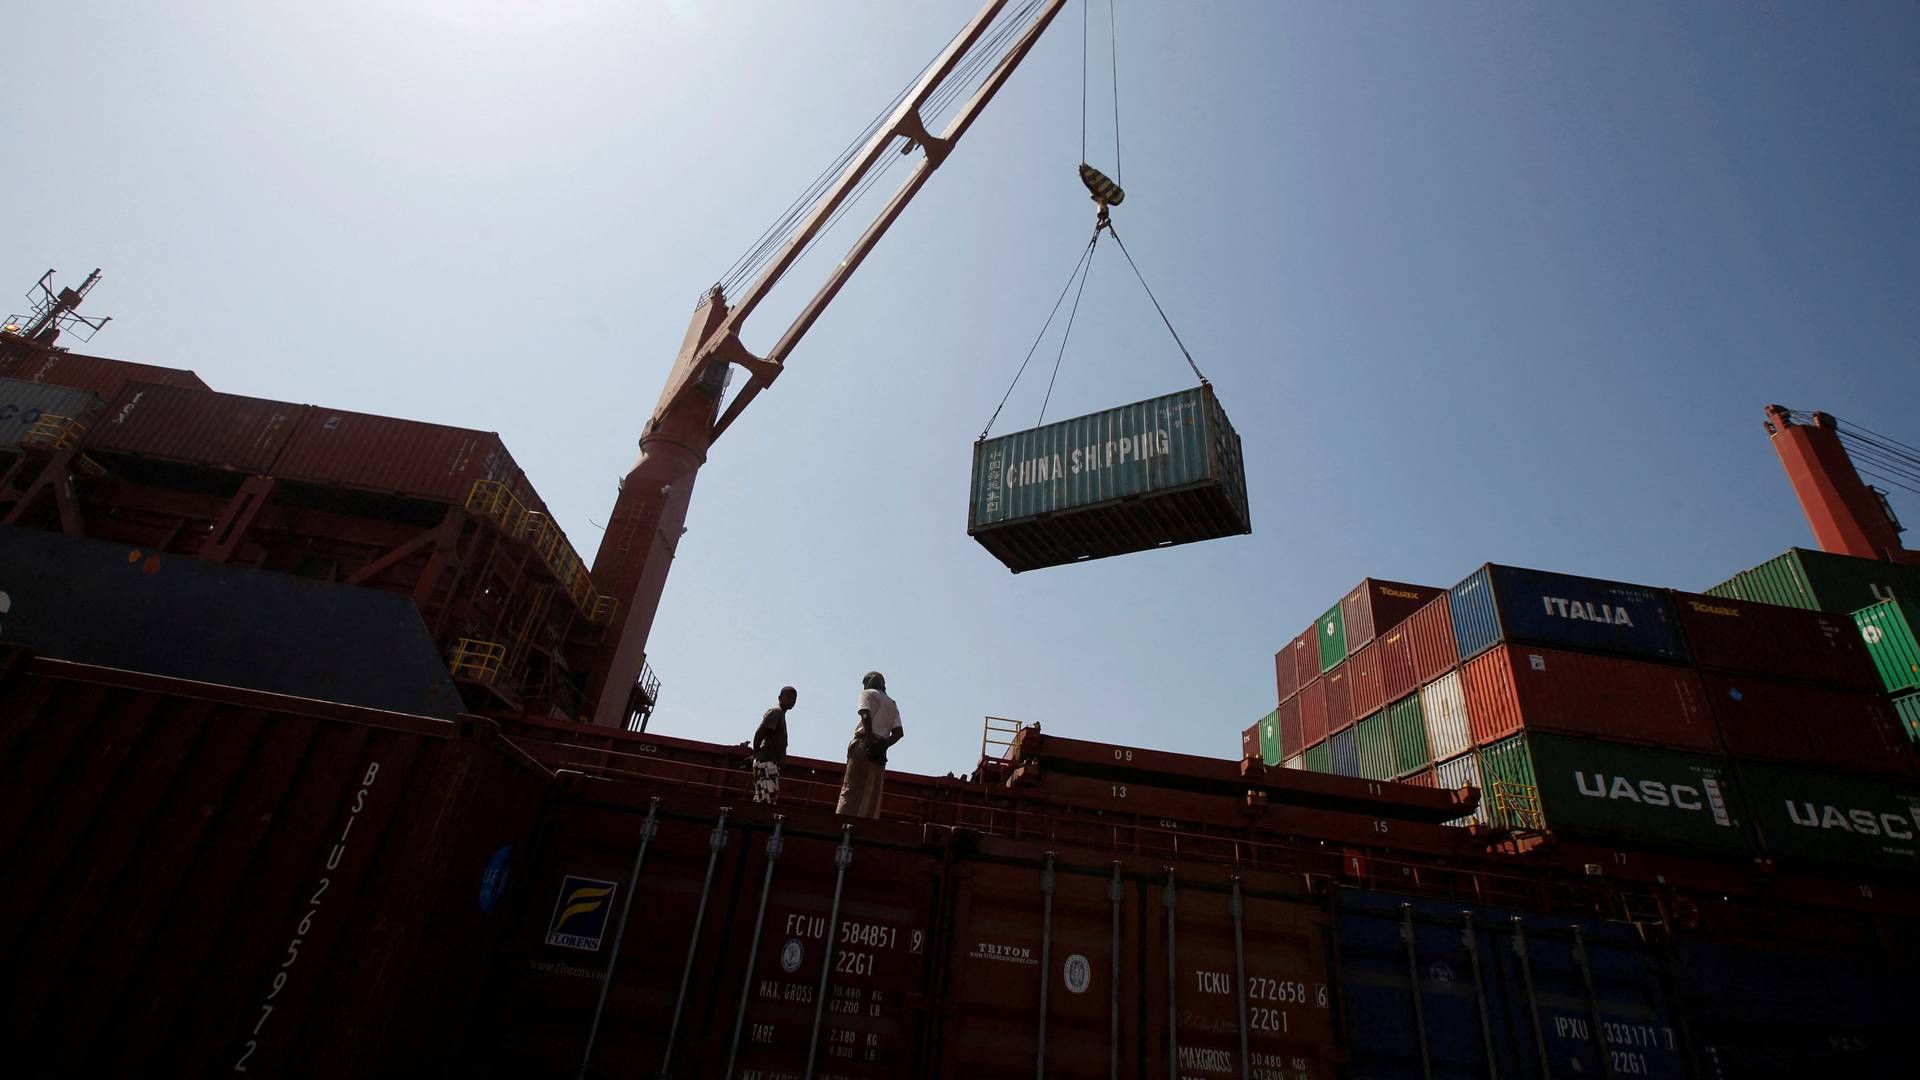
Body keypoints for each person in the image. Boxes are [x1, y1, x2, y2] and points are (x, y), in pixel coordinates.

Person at [836, 671, 902, 818]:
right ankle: (866, 828)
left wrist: (870, 740)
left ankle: (840, 824)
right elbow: (899, 733)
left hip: (863, 743)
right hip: (879, 753)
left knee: (850, 789)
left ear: (869, 682)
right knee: (872, 795)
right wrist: (883, 746)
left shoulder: (867, 694)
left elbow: (865, 714)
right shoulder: (892, 703)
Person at [752, 686, 795, 805]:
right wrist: (757, 754)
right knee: (766, 799)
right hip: (766, 761)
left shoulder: (780, 714)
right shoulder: (776, 712)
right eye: (789, 697)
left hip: (770, 762)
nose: (792, 700)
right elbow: (760, 733)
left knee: (767, 796)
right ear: (780, 697)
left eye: (794, 698)